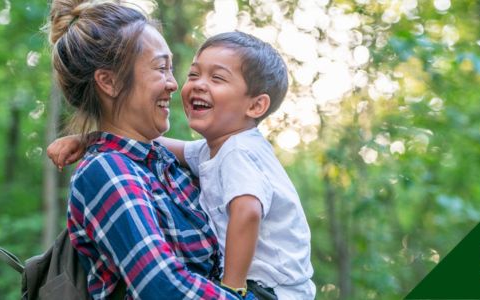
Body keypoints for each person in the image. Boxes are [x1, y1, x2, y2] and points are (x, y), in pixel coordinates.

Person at [49, 31, 315, 299]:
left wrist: (233, 288)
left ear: (256, 106)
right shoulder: (210, 152)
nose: (185, 85)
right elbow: (161, 285)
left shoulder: (238, 152)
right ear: (109, 82)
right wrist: (89, 139)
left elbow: (247, 212)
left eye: (217, 78)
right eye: (193, 74)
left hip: (271, 290)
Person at [47, 0, 247, 298]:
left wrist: (85, 138)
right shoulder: (106, 171)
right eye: (161, 68)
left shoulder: (165, 164)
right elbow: (162, 286)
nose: (173, 84)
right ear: (109, 82)